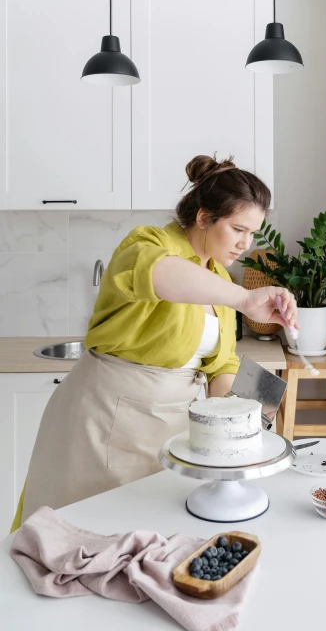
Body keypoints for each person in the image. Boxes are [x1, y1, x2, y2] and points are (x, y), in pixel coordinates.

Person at [12, 154, 297, 529]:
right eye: (238, 229)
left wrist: (244, 415)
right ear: (203, 217)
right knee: (79, 539)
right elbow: (159, 273)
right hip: (104, 420)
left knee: (141, 544)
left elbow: (221, 365)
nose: (245, 244)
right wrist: (246, 300)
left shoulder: (220, 282)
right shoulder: (149, 244)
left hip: (167, 432)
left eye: (253, 234)